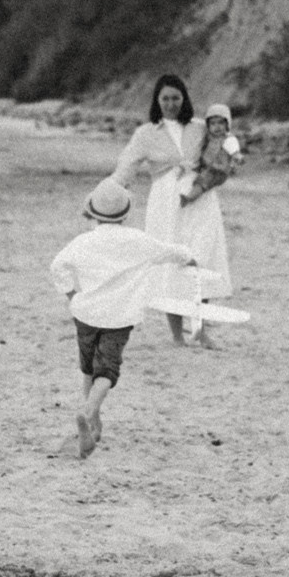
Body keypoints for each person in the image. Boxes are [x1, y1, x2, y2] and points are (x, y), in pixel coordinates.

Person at [50, 177, 199, 459]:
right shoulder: (138, 240)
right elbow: (169, 252)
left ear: (92, 212)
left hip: (86, 313)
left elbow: (57, 266)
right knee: (107, 370)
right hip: (118, 317)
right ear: (126, 214)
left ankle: (93, 424)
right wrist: (188, 257)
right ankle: (88, 412)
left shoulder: (83, 242)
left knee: (88, 368)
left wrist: (71, 294)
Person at [114, 74, 234, 346]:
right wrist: (107, 194)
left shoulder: (199, 127)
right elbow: (126, 167)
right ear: (157, 101)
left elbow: (222, 141)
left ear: (184, 99)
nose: (171, 104)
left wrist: (227, 160)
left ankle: (200, 329)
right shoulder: (146, 133)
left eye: (176, 98)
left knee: (202, 258)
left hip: (200, 198)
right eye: (165, 98)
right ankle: (177, 334)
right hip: (165, 201)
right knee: (171, 260)